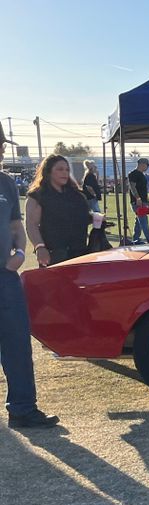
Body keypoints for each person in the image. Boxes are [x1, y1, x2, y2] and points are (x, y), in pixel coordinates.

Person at [0, 131, 59, 428]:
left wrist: (21, 252)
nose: (1, 150)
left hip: (5, 276)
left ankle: (22, 408)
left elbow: (14, 223)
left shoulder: (6, 182)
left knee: (17, 342)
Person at [25, 154, 92, 266]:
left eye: (67, 169)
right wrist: (39, 247)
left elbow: (83, 217)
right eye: (60, 169)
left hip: (80, 253)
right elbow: (31, 224)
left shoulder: (77, 195)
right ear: (48, 171)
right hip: (54, 254)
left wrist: (95, 217)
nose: (65, 172)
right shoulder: (37, 196)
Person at [127, 157, 149, 244]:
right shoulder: (134, 174)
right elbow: (132, 187)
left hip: (143, 200)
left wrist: (147, 200)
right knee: (143, 221)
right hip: (138, 201)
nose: (147, 167)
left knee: (139, 221)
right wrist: (138, 198)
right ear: (142, 164)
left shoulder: (142, 174)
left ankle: (135, 238)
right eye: (147, 165)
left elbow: (143, 189)